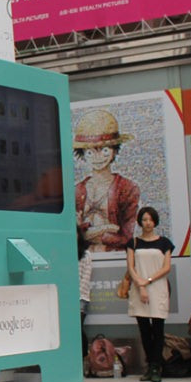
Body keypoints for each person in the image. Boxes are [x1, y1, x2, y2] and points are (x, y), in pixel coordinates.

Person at [74, 109, 140, 253]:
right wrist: (105, 228)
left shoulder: (127, 188)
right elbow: (74, 234)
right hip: (84, 259)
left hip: (116, 258)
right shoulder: (77, 190)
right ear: (83, 155)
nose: (97, 157)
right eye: (90, 152)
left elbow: (126, 237)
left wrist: (89, 233)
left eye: (104, 150)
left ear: (114, 151)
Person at [127, 206, 173, 382]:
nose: (147, 223)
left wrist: (148, 280)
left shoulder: (165, 243)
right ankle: (150, 365)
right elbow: (131, 267)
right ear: (139, 222)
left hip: (158, 287)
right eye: (144, 219)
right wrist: (141, 284)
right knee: (144, 330)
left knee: (158, 329)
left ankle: (157, 366)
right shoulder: (133, 243)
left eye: (150, 219)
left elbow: (166, 267)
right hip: (139, 289)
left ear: (155, 221)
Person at [78, 225, 92, 362]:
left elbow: (86, 278)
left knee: (78, 328)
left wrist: (77, 296)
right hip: (65, 297)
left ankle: (83, 356)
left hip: (81, 297)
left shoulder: (86, 254)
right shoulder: (65, 251)